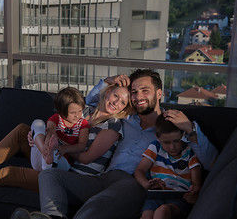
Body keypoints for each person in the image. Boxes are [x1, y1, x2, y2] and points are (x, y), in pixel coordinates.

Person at [38, 69, 218, 219]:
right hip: (103, 178)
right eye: (134, 92)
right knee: (50, 176)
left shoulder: (171, 126)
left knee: (97, 204)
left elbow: (211, 161)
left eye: (145, 90)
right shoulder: (125, 118)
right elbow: (92, 103)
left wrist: (190, 129)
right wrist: (107, 82)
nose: (138, 96)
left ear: (159, 93)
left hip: (133, 182)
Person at [0, 84, 132, 193]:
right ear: (108, 91)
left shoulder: (114, 125)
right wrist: (39, 138)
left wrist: (54, 145)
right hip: (52, 156)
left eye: (123, 102)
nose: (116, 103)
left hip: (72, 176)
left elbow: (85, 158)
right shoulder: (84, 111)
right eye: (115, 95)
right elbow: (53, 124)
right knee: (21, 130)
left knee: (10, 172)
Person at [134, 114, 202, 219]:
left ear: (183, 135)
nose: (172, 147)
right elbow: (140, 170)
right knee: (147, 215)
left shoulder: (190, 152)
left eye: (176, 141)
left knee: (163, 211)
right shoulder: (155, 147)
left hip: (179, 198)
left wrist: (194, 194)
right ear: (158, 137)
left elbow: (196, 183)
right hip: (157, 194)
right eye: (166, 142)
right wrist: (146, 184)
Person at [30, 87, 89, 172]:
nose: (77, 115)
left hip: (61, 161)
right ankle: (45, 152)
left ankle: (48, 160)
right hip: (40, 159)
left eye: (80, 111)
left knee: (54, 146)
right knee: (38, 123)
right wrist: (46, 146)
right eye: (72, 113)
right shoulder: (56, 118)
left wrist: (65, 149)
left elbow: (81, 146)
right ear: (61, 111)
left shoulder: (83, 124)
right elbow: (51, 131)